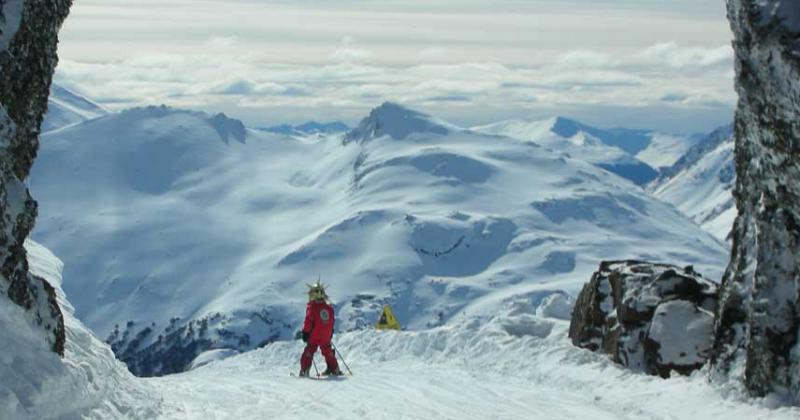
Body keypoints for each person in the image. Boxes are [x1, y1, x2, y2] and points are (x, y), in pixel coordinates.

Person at [298, 282, 341, 377]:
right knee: (327, 350)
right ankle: (334, 368)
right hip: (326, 334)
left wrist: (305, 333)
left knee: (309, 350)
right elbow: (331, 321)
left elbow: (308, 321)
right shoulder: (329, 308)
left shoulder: (312, 307)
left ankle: (304, 370)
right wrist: (330, 332)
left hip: (315, 334)